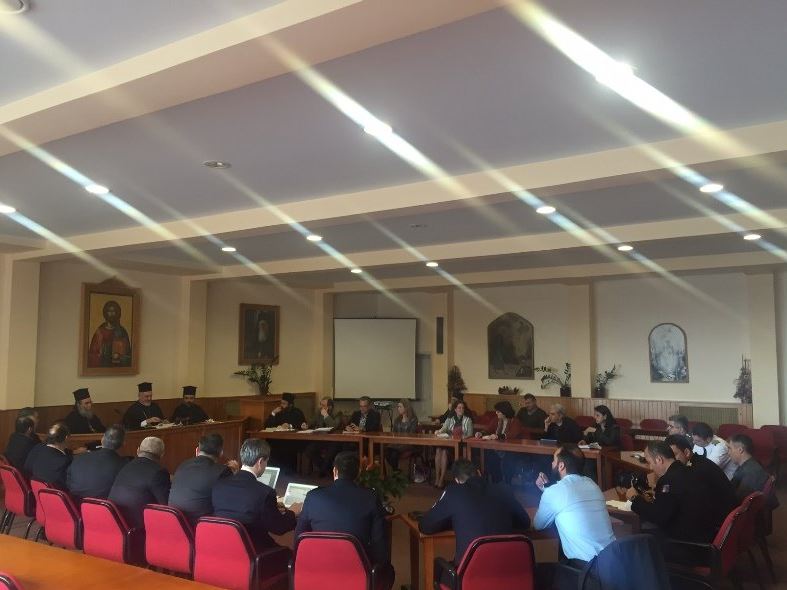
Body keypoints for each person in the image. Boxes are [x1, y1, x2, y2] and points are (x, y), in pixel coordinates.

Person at [533, 444, 615, 587]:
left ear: (561, 466)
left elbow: (538, 525)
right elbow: (569, 499)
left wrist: (547, 491)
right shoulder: (592, 484)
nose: (551, 463)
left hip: (587, 572)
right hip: (613, 563)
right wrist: (547, 489)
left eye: (554, 460)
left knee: (539, 572)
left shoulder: (555, 492)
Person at [419, 459, 531, 564]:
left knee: (440, 569)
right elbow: (525, 522)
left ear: (457, 480)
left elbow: (425, 526)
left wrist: (455, 520)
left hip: (470, 573)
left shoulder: (454, 492)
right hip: (508, 570)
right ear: (479, 472)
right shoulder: (503, 489)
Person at [295, 451, 389, 565]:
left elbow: (299, 537)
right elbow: (379, 542)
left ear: (335, 471)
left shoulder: (313, 496)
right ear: (359, 472)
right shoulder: (370, 497)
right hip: (357, 568)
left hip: (317, 566)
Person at [212, 438, 301, 551]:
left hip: (224, 547)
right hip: (255, 551)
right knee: (289, 553)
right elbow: (279, 528)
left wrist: (271, 507)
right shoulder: (265, 492)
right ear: (260, 462)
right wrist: (292, 512)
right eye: (266, 461)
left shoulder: (219, 485)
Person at [627, 441, 716, 544]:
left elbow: (658, 517)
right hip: (704, 534)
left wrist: (635, 498)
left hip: (685, 543)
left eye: (650, 462)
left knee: (636, 536)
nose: (650, 467)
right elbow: (673, 500)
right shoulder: (688, 470)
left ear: (659, 459)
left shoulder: (668, 480)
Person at [665, 434, 737, 530]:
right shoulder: (698, 461)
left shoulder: (696, 470)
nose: (671, 460)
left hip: (718, 522)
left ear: (686, 452)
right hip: (719, 514)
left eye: (674, 455)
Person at [168, 433, 235, 524]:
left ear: (197, 450)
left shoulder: (183, 465)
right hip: (200, 526)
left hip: (176, 524)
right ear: (221, 453)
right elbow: (230, 502)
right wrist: (235, 475)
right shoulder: (223, 472)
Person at [108, 436, 171, 528]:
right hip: (138, 527)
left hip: (115, 521)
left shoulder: (125, 466)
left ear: (138, 451)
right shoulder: (159, 472)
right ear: (162, 454)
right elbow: (166, 506)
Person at [67, 424, 128, 501]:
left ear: (102, 440)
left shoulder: (78, 458)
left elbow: (69, 484)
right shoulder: (124, 466)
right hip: (104, 506)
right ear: (123, 444)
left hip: (75, 505)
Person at [475, 400, 522, 483]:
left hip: (510, 449)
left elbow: (512, 434)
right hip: (496, 448)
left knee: (509, 459)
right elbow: (488, 429)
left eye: (498, 411)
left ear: (504, 412)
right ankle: (496, 481)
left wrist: (498, 436)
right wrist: (481, 433)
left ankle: (507, 482)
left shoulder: (515, 421)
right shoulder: (496, 420)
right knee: (489, 456)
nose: (496, 413)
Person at [728, 433, 779, 509]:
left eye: (730, 448)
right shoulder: (751, 463)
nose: (728, 453)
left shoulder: (750, 472)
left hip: (745, 509)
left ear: (740, 450)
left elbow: (740, 501)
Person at [433, 400, 474, 488]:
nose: (461, 409)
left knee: (444, 452)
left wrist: (463, 437)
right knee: (438, 450)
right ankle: (437, 477)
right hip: (449, 443)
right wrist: (438, 431)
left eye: (463, 408)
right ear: (455, 409)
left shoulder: (468, 420)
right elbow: (443, 428)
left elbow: (470, 434)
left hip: (460, 446)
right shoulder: (450, 419)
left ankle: (441, 479)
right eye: (459, 408)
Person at [302, 397, 341, 477]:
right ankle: (326, 468)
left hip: (333, 440)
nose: (321, 407)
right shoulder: (318, 412)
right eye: (321, 404)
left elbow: (334, 426)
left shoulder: (338, 413)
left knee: (331, 452)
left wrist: (326, 415)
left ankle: (322, 471)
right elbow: (311, 421)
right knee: (309, 450)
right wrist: (306, 425)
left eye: (323, 405)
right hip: (320, 439)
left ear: (330, 407)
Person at [24, 423, 72, 488]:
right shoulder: (65, 461)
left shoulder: (37, 448)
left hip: (36, 490)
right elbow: (69, 486)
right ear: (66, 438)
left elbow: (27, 468)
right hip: (57, 492)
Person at [87, 300, 131, 368]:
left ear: (117, 313)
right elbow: (92, 355)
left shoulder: (122, 332)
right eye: (109, 311)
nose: (112, 314)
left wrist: (120, 357)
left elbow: (128, 356)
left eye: (114, 311)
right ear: (105, 313)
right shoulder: (100, 332)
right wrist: (102, 353)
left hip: (117, 369)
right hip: (102, 368)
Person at [384, 399, 419, 472]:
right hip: (397, 443)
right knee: (386, 451)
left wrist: (401, 439)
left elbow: (412, 434)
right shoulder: (397, 420)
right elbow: (394, 433)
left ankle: (396, 473)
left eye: (400, 407)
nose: (398, 409)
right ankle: (396, 471)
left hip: (408, 443)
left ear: (406, 408)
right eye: (398, 407)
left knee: (394, 453)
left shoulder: (413, 419)